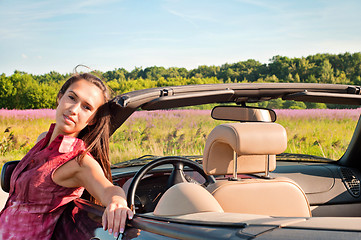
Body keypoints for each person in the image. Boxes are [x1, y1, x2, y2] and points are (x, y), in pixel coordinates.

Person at [0, 71, 133, 239]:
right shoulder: (42, 140)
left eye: (86, 107)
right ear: (60, 98)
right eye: (71, 98)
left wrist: (118, 202)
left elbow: (108, 189)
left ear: (92, 120)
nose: (74, 109)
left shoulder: (78, 162)